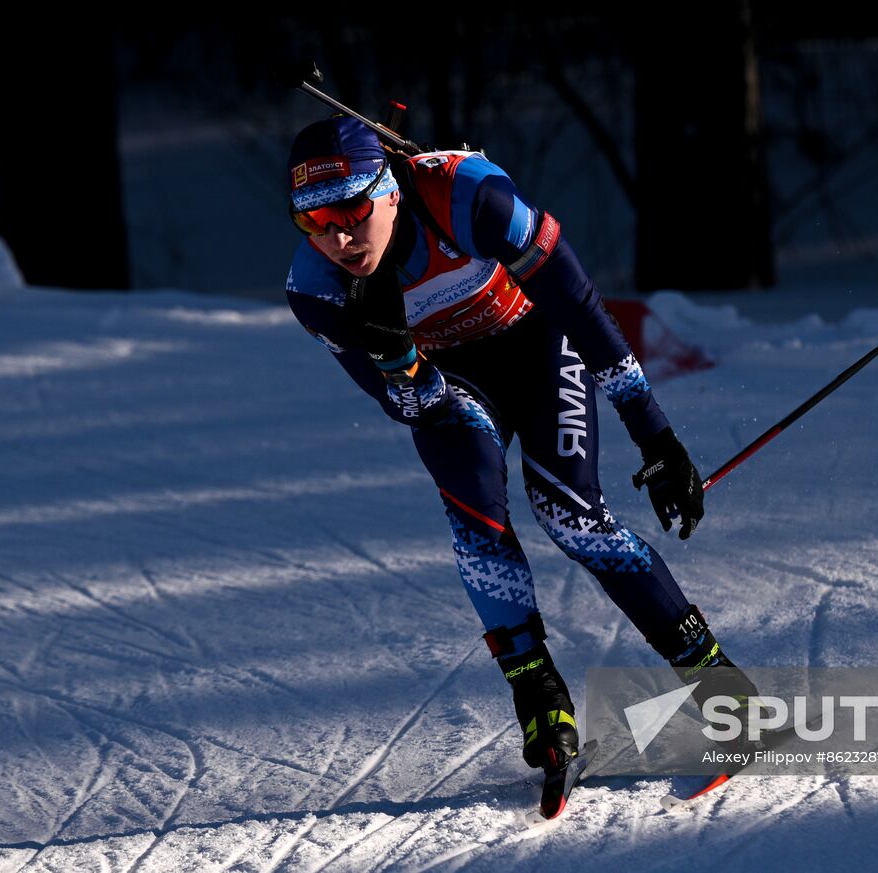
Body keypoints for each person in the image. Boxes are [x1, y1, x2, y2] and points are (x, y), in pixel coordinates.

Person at [283, 115, 756, 774]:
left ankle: (718, 683)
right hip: (454, 383)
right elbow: (412, 408)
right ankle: (539, 695)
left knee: (572, 516)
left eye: (351, 209)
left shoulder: (469, 197)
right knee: (475, 509)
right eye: (313, 220)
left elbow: (581, 308)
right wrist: (405, 369)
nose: (336, 235)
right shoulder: (317, 288)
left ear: (389, 188)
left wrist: (655, 431)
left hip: (537, 344)